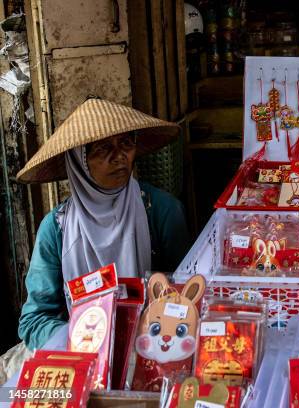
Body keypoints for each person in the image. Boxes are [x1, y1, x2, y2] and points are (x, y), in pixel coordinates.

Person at [15, 98, 191, 350]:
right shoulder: (55, 229)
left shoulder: (162, 211)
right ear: (78, 162)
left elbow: (185, 297)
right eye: (102, 148)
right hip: (82, 350)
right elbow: (34, 320)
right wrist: (84, 336)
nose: (119, 157)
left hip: (155, 343)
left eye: (126, 144)